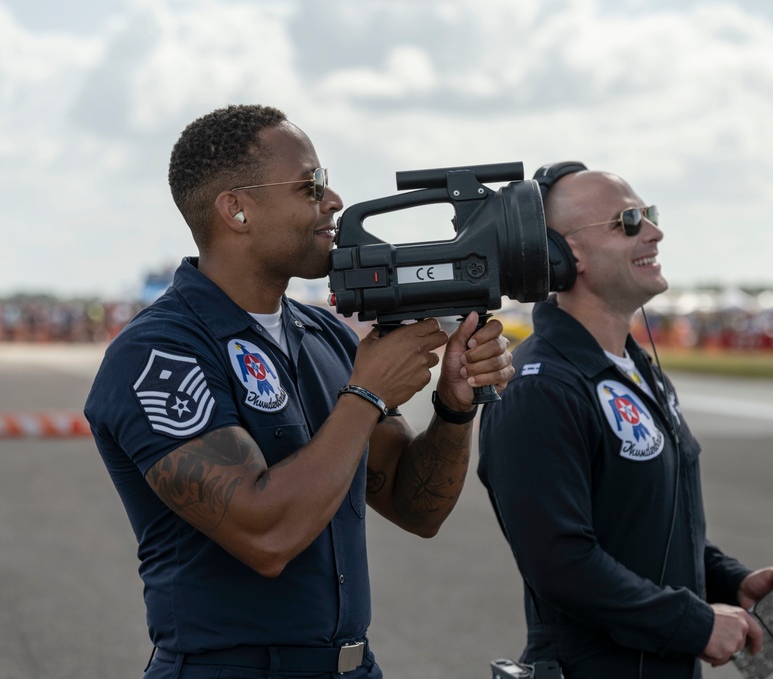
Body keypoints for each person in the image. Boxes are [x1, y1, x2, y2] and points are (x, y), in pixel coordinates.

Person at [84, 104, 514, 679]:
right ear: (236, 209)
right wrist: (364, 396)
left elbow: (417, 508)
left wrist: (453, 409)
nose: (333, 202)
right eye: (312, 185)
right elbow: (266, 534)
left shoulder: (327, 335)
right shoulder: (158, 354)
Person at [477, 163, 773, 679]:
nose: (655, 231)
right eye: (629, 220)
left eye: (651, 215)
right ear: (565, 253)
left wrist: (732, 582)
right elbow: (561, 565)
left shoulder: (636, 370)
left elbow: (647, 525)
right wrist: (694, 623)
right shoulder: (541, 386)